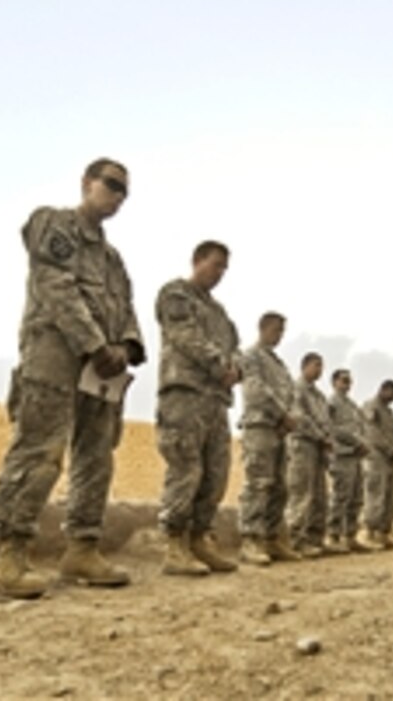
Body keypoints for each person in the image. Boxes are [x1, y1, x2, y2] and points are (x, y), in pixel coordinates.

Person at [0, 158, 145, 594]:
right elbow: (56, 287)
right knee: (39, 449)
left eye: (123, 191)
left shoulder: (113, 260)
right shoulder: (53, 224)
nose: (116, 196)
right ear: (87, 183)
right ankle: (11, 553)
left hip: (102, 371)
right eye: (111, 185)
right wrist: (95, 343)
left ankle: (82, 548)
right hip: (54, 354)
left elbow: (127, 309)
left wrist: (126, 348)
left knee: (96, 456)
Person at [154, 241, 242, 576]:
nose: (219, 273)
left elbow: (237, 352)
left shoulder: (221, 315)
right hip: (185, 394)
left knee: (215, 473)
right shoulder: (176, 294)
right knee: (185, 468)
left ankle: (198, 539)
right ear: (197, 260)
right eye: (215, 265)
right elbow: (184, 336)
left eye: (224, 268)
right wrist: (221, 365)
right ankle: (175, 544)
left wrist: (237, 370)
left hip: (216, 401)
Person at [237, 312, 302, 565]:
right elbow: (256, 391)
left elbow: (291, 395)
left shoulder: (279, 364)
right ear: (263, 327)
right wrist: (282, 414)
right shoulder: (251, 356)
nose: (280, 335)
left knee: (280, 487)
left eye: (282, 331)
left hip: (280, 430)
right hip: (260, 426)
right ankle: (250, 539)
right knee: (259, 483)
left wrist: (291, 417)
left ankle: (271, 538)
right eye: (276, 330)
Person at [286, 352, 335, 557]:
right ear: (304, 366)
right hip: (302, 444)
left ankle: (315, 539)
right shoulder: (296, 389)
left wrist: (327, 439)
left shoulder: (319, 396)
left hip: (318, 448)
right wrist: (320, 436)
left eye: (321, 366)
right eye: (316, 365)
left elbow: (327, 422)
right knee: (302, 493)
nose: (319, 370)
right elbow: (300, 417)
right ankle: (295, 540)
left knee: (318, 496)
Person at [326, 369, 372, 552]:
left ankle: (350, 536)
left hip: (356, 455)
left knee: (356, 497)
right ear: (335, 382)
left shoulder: (353, 406)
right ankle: (333, 536)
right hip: (342, 455)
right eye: (344, 381)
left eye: (349, 381)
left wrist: (363, 443)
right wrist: (356, 441)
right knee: (340, 497)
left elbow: (361, 428)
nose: (348, 384)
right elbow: (333, 429)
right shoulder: (331, 403)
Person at [362, 379, 393, 550]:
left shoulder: (390, 412)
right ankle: (371, 533)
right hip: (376, 457)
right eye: (392, 394)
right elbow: (371, 433)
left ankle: (384, 533)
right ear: (384, 390)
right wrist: (388, 449)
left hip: (390, 459)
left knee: (390, 495)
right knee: (376, 494)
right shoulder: (370, 406)